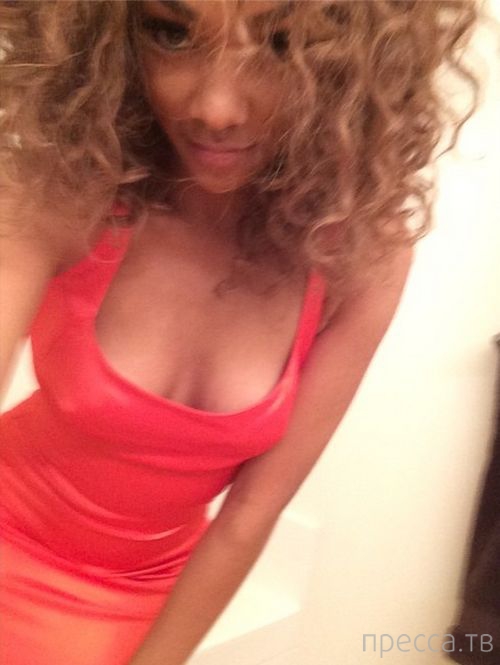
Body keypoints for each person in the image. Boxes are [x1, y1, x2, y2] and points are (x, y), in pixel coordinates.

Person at [0, 1, 481, 664]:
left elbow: (247, 518)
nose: (216, 109)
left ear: (359, 62)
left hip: (153, 593)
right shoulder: (73, 191)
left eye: (281, 43)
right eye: (171, 33)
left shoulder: (362, 257)